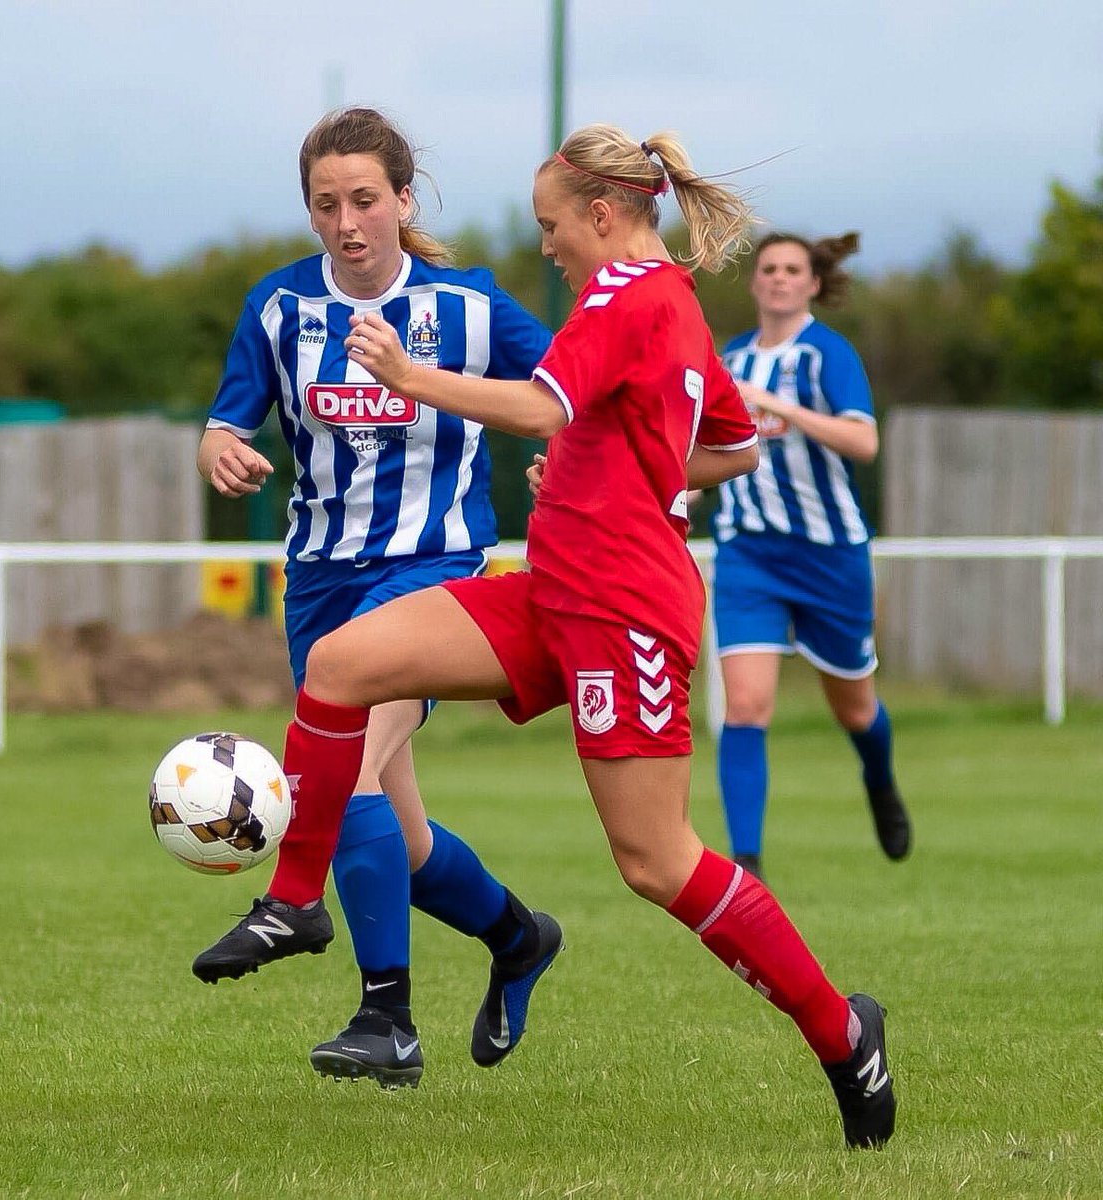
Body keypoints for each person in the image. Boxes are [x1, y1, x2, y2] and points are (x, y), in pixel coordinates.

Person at [263, 123, 897, 1148]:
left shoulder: (628, 294)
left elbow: (535, 405)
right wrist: (616, 470)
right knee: (342, 664)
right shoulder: (675, 305)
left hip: (624, 612)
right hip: (552, 589)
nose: (548, 246)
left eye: (552, 226)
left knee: (655, 861)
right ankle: (294, 902)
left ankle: (842, 1033)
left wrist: (409, 378)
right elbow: (727, 448)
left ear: (602, 215)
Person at [194, 107, 563, 1089]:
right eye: (327, 204)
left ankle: (384, 1016)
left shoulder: (470, 309)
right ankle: (519, 936)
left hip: (432, 574)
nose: (348, 221)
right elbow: (230, 417)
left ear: (404, 199)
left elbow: (580, 390)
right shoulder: (279, 309)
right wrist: (219, 446)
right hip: (318, 583)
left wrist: (620, 465)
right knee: (396, 837)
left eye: (365, 199)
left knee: (345, 768)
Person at [712, 232, 912, 882]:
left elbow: (864, 441)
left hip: (830, 557)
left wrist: (778, 405)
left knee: (854, 709)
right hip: (748, 554)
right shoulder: (730, 358)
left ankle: (879, 778)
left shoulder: (828, 354)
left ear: (813, 283)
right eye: (768, 268)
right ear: (754, 282)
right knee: (745, 706)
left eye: (792, 269)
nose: (778, 278)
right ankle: (748, 866)